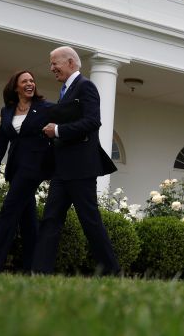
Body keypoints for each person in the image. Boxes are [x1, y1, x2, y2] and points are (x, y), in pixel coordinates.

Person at [32, 46, 120, 275]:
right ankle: (40, 272)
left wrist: (58, 130)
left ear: (70, 62)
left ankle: (111, 272)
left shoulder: (86, 87)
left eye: (55, 63)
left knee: (90, 222)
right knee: (51, 219)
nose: (52, 68)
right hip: (61, 171)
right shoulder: (64, 91)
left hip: (81, 169)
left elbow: (93, 122)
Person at [0, 70, 53, 275]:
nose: (30, 84)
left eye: (32, 81)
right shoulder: (7, 110)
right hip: (16, 169)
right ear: (15, 87)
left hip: (34, 168)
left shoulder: (45, 108)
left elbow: (62, 126)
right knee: (27, 219)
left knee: (8, 212)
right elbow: (0, 144)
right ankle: (34, 267)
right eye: (25, 81)